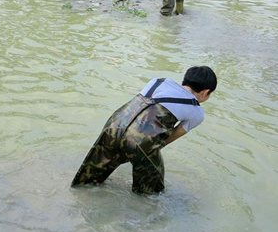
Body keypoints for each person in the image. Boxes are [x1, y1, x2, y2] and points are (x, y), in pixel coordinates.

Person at [71, 66, 217, 195]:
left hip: (114, 126)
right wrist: (138, 154)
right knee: (151, 195)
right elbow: (167, 139)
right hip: (141, 140)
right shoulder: (197, 112)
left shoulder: (158, 81)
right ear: (206, 92)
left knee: (88, 179)